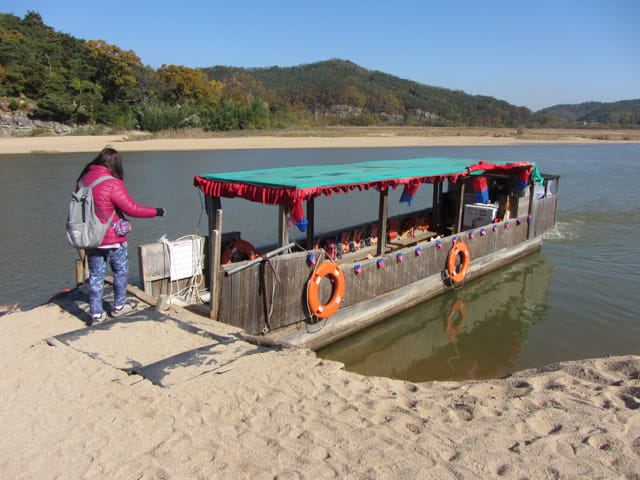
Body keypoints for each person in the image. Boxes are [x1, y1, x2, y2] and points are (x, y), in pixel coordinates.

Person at [76, 147, 165, 325]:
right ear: (115, 164)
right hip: (112, 238)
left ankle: (96, 315)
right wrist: (157, 211)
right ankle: (119, 306)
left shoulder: (83, 179)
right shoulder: (112, 183)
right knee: (120, 271)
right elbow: (131, 209)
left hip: (91, 237)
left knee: (95, 275)